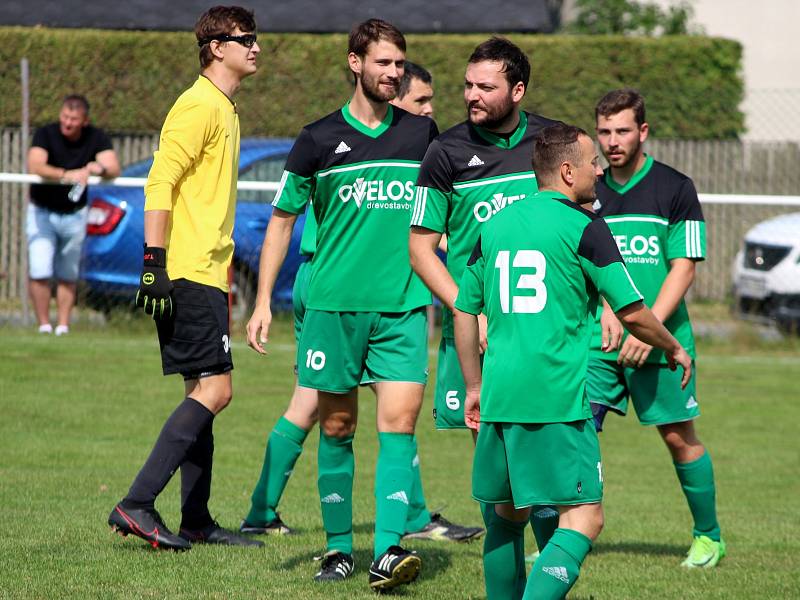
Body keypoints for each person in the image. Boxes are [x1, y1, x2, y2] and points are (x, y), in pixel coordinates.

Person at [240, 56, 480, 546]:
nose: (429, 110)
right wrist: (264, 300)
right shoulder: (330, 138)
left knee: (395, 412)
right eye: (422, 99)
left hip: (388, 291)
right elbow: (286, 219)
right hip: (328, 287)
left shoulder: (421, 139)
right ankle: (269, 511)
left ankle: (403, 519)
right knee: (318, 407)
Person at [453, 122, 693, 600]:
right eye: (591, 163)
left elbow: (464, 310)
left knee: (505, 516)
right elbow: (634, 314)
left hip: (499, 394)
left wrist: (474, 385)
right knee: (585, 517)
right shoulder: (585, 227)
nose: (599, 170)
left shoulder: (495, 225)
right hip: (556, 399)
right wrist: (672, 346)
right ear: (567, 171)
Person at [107, 5, 263, 551]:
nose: (256, 47)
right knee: (217, 391)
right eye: (245, 38)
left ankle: (195, 518)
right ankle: (137, 503)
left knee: (204, 389)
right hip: (188, 271)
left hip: (208, 272)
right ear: (217, 46)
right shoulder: (198, 105)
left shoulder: (224, 106)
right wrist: (153, 263)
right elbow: (159, 181)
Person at [408, 36, 561, 563]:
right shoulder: (444, 152)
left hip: (544, 334)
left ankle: (548, 566)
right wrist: (466, 308)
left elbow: (587, 230)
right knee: (499, 470)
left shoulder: (552, 144)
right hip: (477, 336)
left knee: (544, 458)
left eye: (485, 86)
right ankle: (515, 571)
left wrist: (606, 306)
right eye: (468, 85)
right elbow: (422, 249)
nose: (471, 95)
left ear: (517, 90)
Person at [588, 89, 725, 568]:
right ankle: (560, 535)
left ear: (642, 131)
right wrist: (606, 308)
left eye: (622, 130)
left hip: (661, 340)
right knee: (574, 431)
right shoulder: (587, 189)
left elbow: (683, 268)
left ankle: (709, 536)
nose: (612, 141)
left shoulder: (674, 186)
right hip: (597, 339)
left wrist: (647, 331)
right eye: (604, 132)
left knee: (677, 436)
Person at [27, 94, 121, 335]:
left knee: (68, 273)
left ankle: (63, 326)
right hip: (42, 211)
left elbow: (113, 167)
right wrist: (65, 174)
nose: (67, 123)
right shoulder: (45, 134)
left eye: (73, 119)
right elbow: (35, 165)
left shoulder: (96, 138)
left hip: (75, 214)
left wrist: (95, 168)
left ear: (84, 121)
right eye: (65, 117)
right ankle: (44, 326)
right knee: (40, 269)